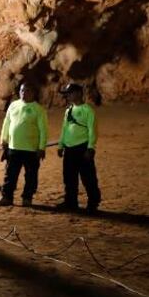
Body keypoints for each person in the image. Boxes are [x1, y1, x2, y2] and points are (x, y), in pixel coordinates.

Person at [0, 82, 48, 207]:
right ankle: (6, 196)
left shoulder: (38, 109)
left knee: (31, 176)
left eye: (28, 91)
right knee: (10, 174)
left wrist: (41, 147)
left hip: (31, 149)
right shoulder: (13, 105)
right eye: (22, 91)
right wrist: (4, 139)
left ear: (33, 93)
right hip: (14, 147)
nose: (24, 93)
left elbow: (43, 130)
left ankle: (27, 198)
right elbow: (6, 122)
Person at [56, 83, 101, 213]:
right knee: (69, 177)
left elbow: (93, 130)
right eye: (67, 94)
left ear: (79, 93)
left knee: (88, 178)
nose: (68, 96)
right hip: (69, 149)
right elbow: (64, 129)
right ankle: (71, 202)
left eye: (70, 93)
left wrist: (90, 148)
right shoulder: (69, 110)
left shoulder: (88, 110)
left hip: (82, 148)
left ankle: (93, 202)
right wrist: (61, 145)